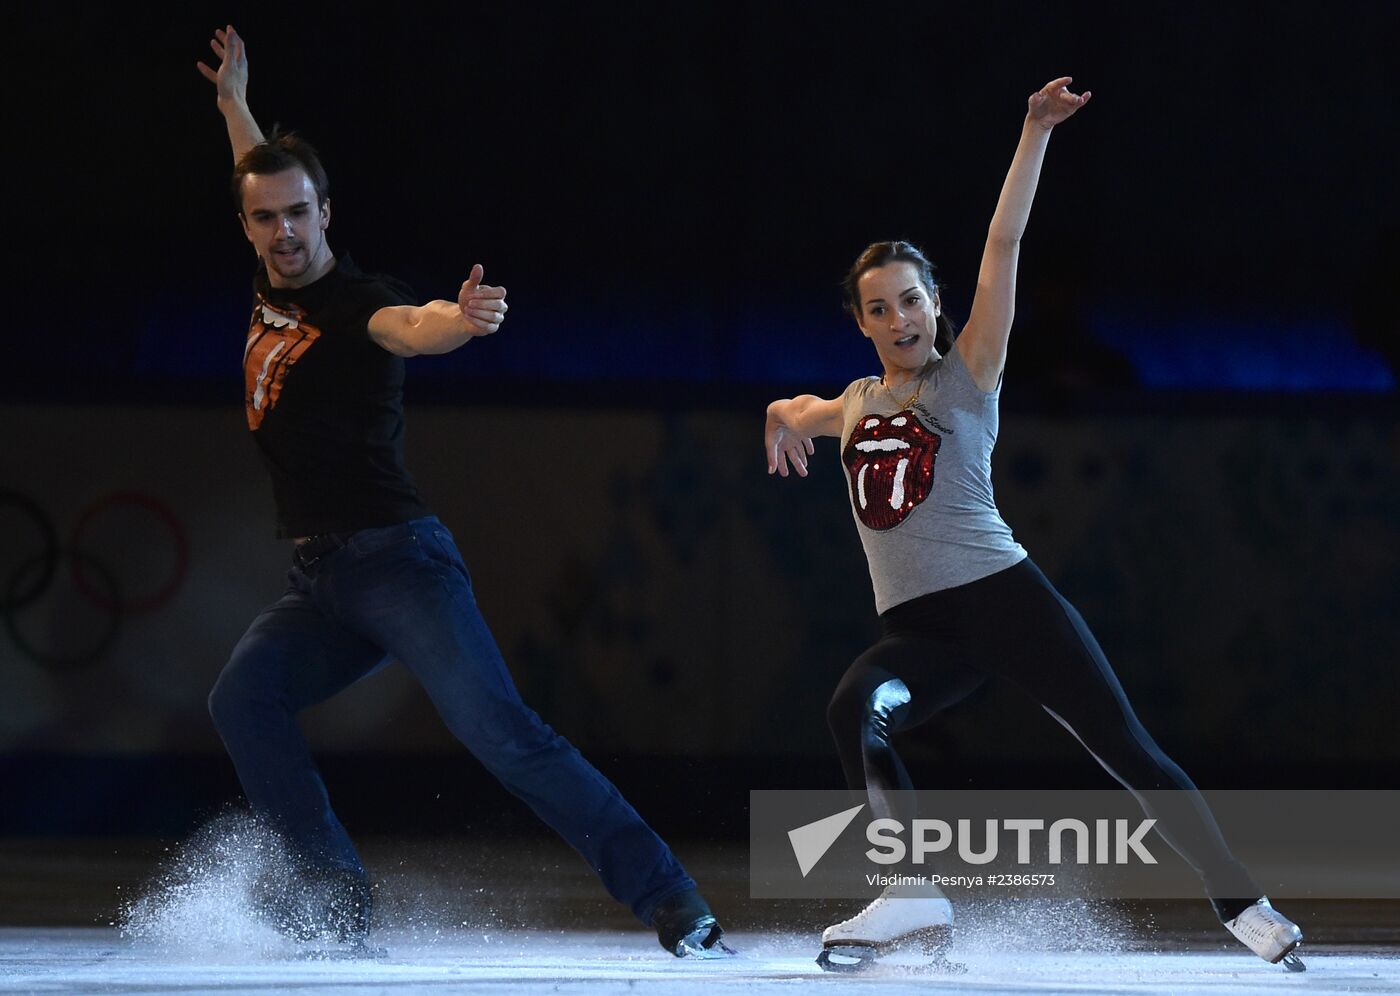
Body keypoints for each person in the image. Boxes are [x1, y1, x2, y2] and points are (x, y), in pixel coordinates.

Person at [195, 25, 729, 957]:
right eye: (265, 217)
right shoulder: (268, 273)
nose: (284, 230)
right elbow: (262, 169)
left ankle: (670, 898)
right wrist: (234, 103)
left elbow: (416, 324)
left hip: (398, 565)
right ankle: (333, 900)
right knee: (243, 698)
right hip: (319, 581)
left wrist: (463, 320)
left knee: (502, 734)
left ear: (327, 214)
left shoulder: (359, 304)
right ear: (246, 224)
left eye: (299, 214)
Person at [763, 78, 1305, 972]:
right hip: (921, 633)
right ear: (860, 324)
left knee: (1127, 749)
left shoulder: (968, 373)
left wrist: (1033, 131)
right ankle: (912, 892)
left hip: (1006, 601)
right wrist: (779, 419)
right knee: (854, 708)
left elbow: (1004, 240)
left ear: (936, 303)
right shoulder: (856, 404)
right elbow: (798, 404)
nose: (898, 318)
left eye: (910, 299)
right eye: (878, 307)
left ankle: (1243, 903)